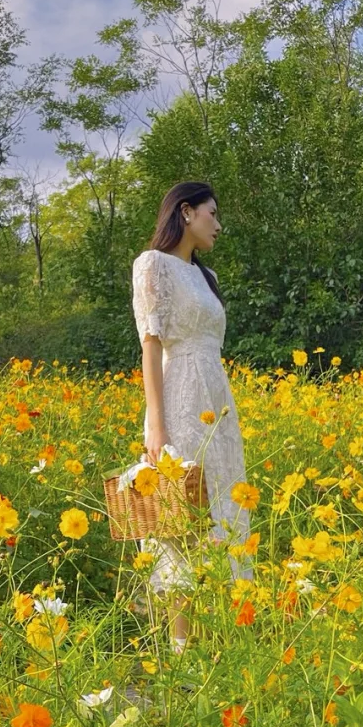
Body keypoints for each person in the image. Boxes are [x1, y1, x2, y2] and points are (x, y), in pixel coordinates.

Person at [131, 181, 252, 651]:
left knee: (223, 511)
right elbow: (150, 345)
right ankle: (182, 651)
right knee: (181, 521)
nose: (218, 225)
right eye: (212, 213)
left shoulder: (208, 276)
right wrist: (157, 425)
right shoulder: (152, 264)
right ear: (186, 212)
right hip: (179, 396)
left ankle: (218, 643)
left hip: (216, 401)